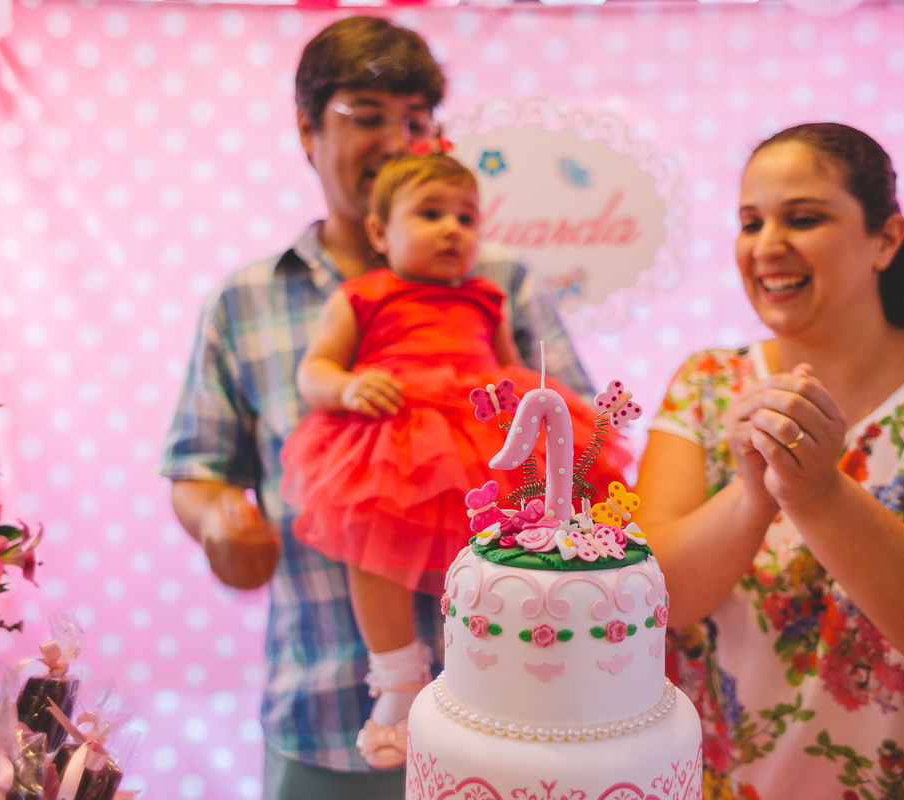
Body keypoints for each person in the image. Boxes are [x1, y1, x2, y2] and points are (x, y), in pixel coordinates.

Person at [159, 16, 595, 799]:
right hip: (327, 716)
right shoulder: (246, 302)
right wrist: (220, 522)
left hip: (510, 707)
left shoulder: (501, 285)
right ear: (305, 127)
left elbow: (577, 449)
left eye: (418, 121)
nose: (399, 141)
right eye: (367, 114)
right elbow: (197, 468)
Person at [633, 122, 904, 799]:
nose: (767, 245)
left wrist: (818, 494)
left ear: (886, 238)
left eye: (804, 217)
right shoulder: (705, 384)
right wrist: (754, 494)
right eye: (750, 222)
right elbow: (652, 599)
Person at [279, 151, 627, 770]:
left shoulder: (487, 295)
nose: (452, 229)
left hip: (479, 436)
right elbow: (314, 369)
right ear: (381, 233)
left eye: (466, 218)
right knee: (373, 543)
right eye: (431, 214)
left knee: (503, 554)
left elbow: (503, 368)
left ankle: (499, 674)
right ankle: (396, 678)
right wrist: (347, 388)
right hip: (397, 433)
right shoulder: (364, 294)